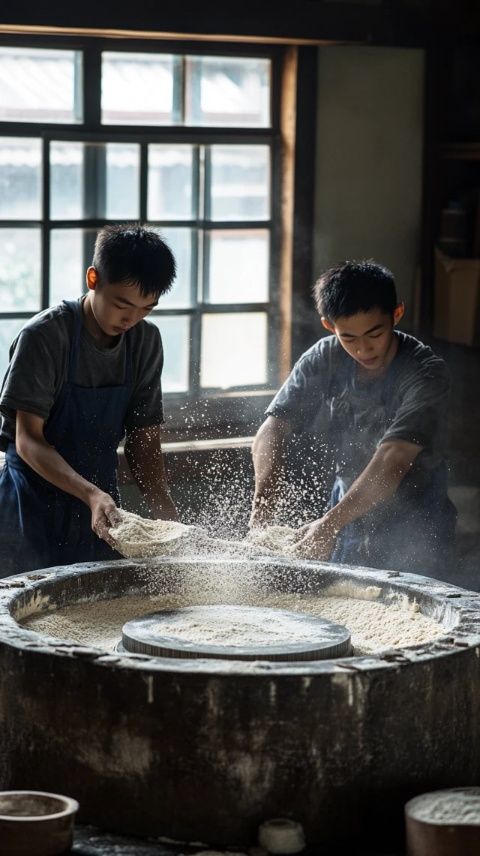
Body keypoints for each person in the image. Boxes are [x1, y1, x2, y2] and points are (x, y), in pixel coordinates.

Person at [250, 260, 457, 576]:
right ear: (329, 326)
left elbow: (394, 458)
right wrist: (263, 507)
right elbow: (273, 428)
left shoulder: (425, 373)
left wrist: (328, 525)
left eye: (375, 333)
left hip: (417, 517)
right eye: (349, 337)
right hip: (349, 512)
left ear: (396, 315)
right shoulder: (325, 356)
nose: (363, 348)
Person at [0, 224, 178, 577]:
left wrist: (169, 518)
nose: (131, 319)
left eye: (147, 309)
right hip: (29, 504)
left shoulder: (145, 342)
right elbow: (27, 439)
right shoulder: (45, 336)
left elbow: (143, 443)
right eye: (122, 305)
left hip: (102, 511)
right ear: (93, 278)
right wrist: (90, 494)